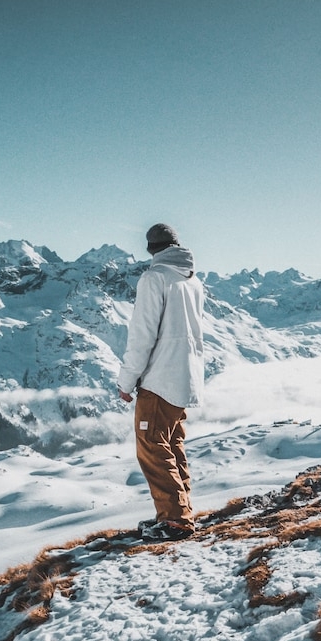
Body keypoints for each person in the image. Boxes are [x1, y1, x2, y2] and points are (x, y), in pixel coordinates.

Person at [117, 223, 204, 541]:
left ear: (151, 249)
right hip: (185, 378)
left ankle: (175, 520)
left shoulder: (154, 278)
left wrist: (126, 382)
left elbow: (142, 335)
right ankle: (179, 513)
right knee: (172, 444)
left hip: (159, 379)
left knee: (152, 445)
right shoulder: (192, 281)